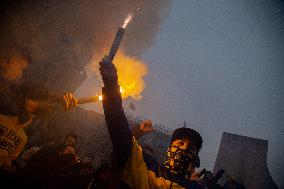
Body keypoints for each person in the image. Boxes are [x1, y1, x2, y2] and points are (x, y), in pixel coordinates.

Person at [99, 55, 205, 189]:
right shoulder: (146, 166)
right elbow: (119, 132)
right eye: (180, 143)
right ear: (169, 150)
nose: (184, 148)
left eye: (191, 148)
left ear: (195, 158)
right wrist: (111, 84)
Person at [0, 52, 78, 175]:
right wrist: (28, 104)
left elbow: (24, 88)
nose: (20, 74)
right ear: (13, 59)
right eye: (21, 68)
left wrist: (54, 97)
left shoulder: (22, 137)